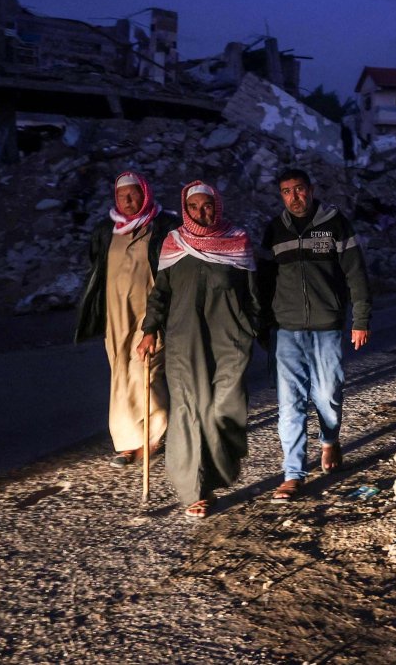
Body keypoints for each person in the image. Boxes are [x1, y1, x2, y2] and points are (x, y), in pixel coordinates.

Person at [137, 181, 260, 519]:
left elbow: (253, 294)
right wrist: (149, 330)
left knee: (225, 407)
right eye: (194, 207)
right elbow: (160, 294)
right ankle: (196, 489)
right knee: (189, 410)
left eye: (208, 206)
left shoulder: (238, 241)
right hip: (184, 339)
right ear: (185, 208)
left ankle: (221, 469)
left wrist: (256, 329)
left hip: (229, 339)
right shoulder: (174, 243)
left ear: (217, 205)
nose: (202, 212)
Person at [258, 167, 371, 501]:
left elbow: (356, 274)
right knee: (290, 404)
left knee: (327, 396)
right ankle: (293, 474)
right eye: (287, 191)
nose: (295, 197)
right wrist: (264, 324)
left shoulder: (335, 223)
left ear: (311, 189)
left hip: (327, 326)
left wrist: (360, 318)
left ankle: (329, 440)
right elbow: (263, 282)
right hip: (287, 329)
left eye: (300, 189)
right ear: (281, 195)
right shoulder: (275, 230)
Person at [74, 172, 176, 465]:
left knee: (145, 369)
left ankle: (153, 436)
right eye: (122, 196)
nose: (129, 201)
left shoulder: (164, 225)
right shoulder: (106, 229)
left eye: (134, 194)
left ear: (145, 193)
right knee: (120, 374)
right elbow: (97, 269)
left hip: (152, 314)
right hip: (116, 315)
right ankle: (128, 442)